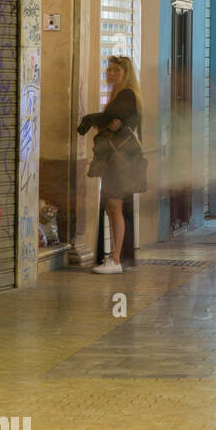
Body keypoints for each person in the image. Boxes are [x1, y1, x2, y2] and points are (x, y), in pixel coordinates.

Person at [77, 55, 143, 275]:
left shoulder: (126, 94)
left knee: (114, 207)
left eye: (116, 70)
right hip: (116, 161)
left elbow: (116, 120)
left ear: (125, 74)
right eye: (109, 70)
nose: (110, 73)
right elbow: (112, 122)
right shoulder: (119, 94)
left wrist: (95, 120)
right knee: (113, 207)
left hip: (120, 163)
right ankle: (115, 257)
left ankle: (115, 259)